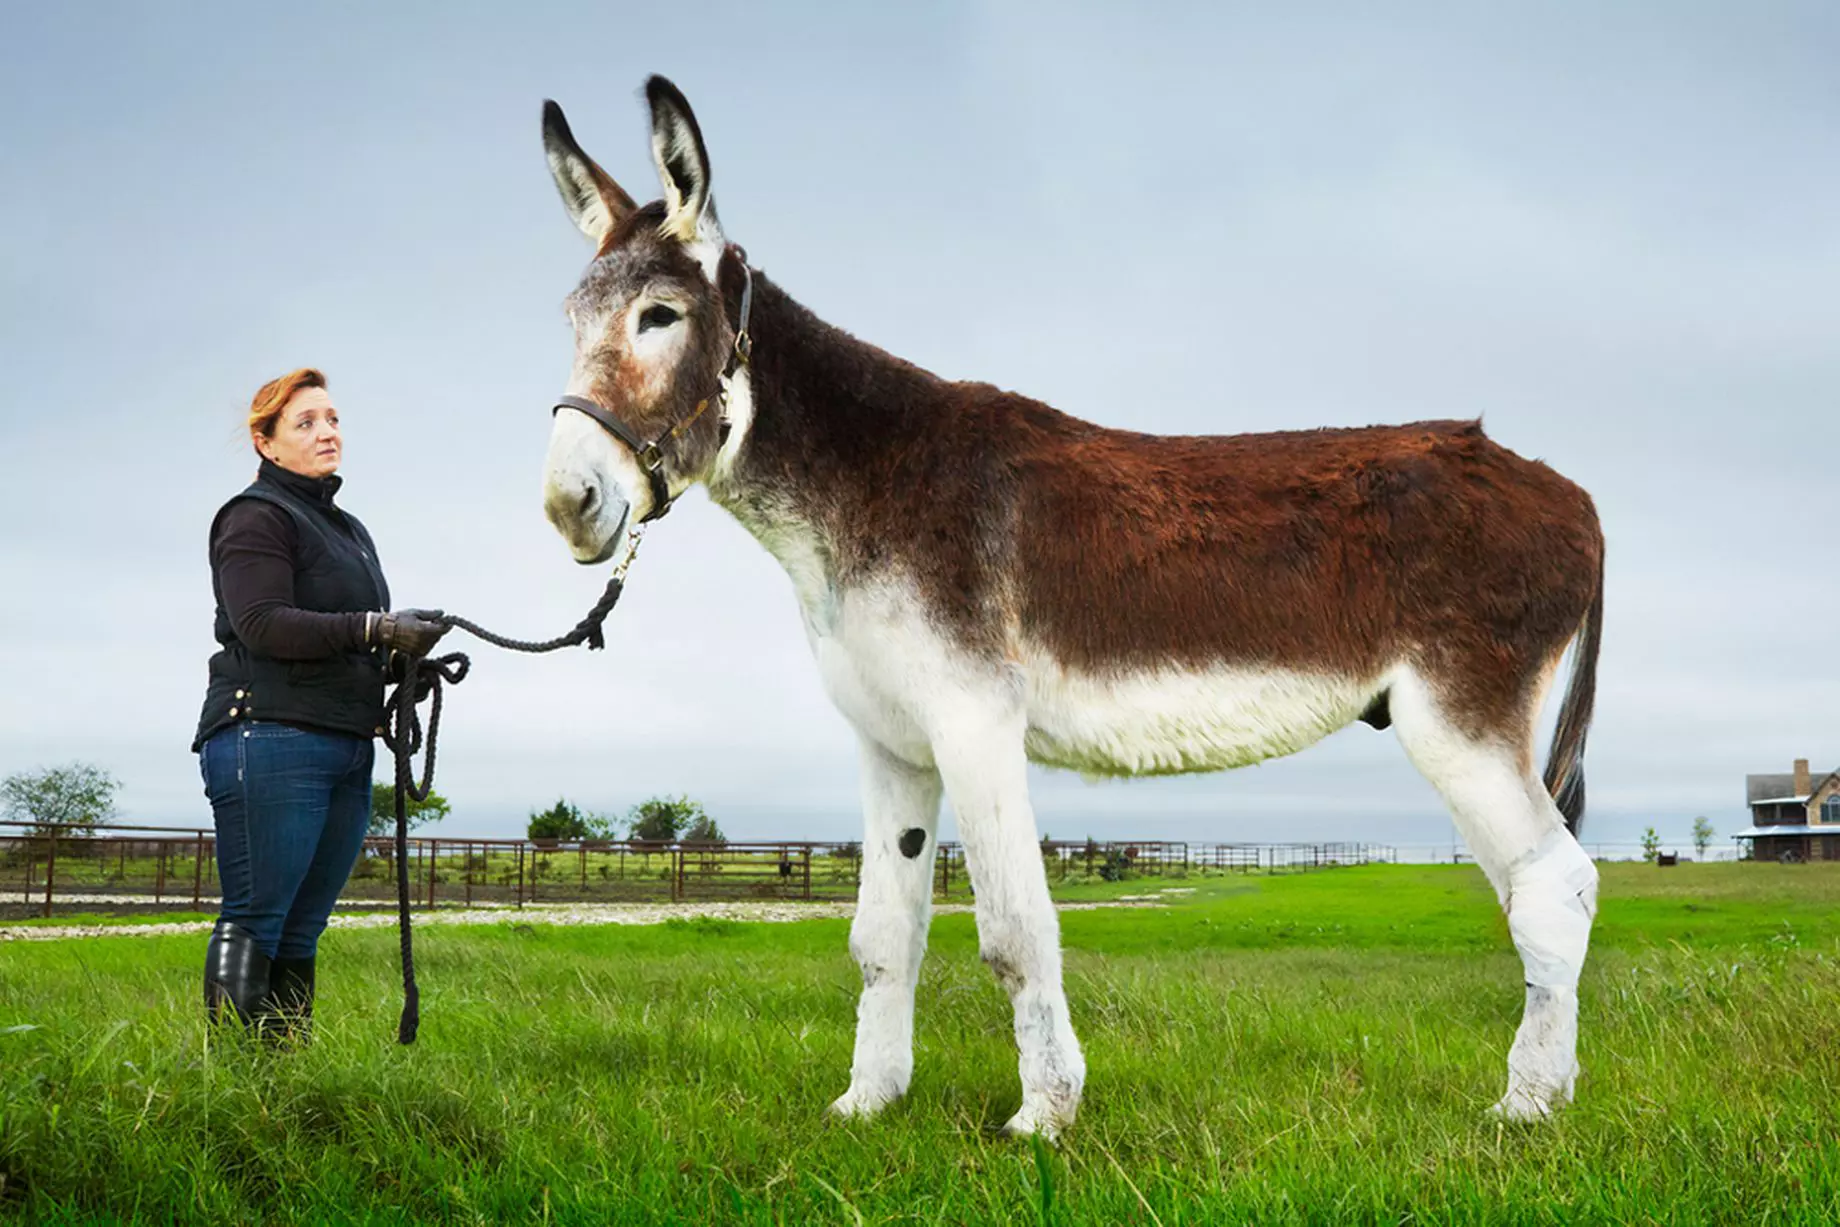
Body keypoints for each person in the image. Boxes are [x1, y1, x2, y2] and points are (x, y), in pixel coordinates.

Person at [192, 368, 448, 1040]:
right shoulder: (254, 517)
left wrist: (398, 662)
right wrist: (376, 628)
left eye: (331, 418)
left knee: (304, 923)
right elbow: (264, 622)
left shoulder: (348, 529)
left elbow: (343, 632)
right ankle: (237, 1087)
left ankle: (285, 1081)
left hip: (345, 740)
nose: (326, 431)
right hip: (270, 737)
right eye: (305, 422)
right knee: (258, 913)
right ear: (266, 442)